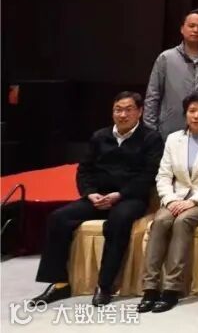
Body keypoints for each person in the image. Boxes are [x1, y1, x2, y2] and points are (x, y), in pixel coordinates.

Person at [30, 93, 163, 308]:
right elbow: (84, 170)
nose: (122, 114)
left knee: (118, 221)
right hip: (98, 196)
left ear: (139, 112)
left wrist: (120, 195)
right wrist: (90, 193)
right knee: (58, 218)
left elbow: (149, 175)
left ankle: (105, 285)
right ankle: (60, 283)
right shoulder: (100, 136)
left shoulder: (151, 138)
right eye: (118, 109)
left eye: (128, 109)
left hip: (129, 198)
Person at [137, 92, 198, 313]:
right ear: (185, 114)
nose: (196, 116)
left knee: (182, 222)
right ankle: (150, 288)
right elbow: (163, 176)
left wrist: (194, 201)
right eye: (192, 111)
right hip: (176, 198)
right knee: (160, 222)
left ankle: (171, 289)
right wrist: (170, 200)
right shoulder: (173, 139)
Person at [144, 12, 198, 137]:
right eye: (191, 26)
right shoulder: (166, 58)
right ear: (182, 29)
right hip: (170, 130)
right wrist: (151, 131)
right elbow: (153, 96)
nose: (196, 30)